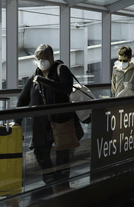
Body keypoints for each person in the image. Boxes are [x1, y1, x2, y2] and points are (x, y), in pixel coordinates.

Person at [15, 44, 83, 186]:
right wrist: (17, 122)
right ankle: (50, 180)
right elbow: (23, 99)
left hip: (61, 121)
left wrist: (43, 81)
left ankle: (62, 183)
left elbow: (66, 88)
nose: (41, 62)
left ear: (51, 57)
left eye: (44, 58)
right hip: (42, 125)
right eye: (38, 59)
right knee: (40, 152)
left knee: (63, 154)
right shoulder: (34, 76)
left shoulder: (61, 70)